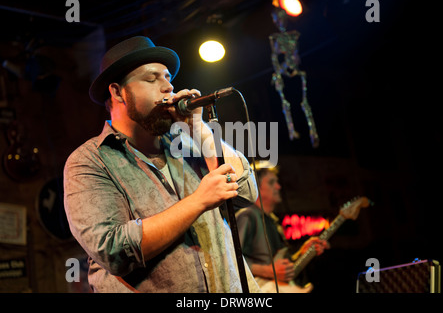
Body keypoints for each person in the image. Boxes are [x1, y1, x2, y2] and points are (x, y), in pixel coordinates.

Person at [63, 36, 260, 293]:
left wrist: (199, 129)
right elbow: (113, 250)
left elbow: (245, 193)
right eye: (151, 78)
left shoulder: (189, 145)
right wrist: (199, 200)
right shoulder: (89, 162)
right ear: (117, 92)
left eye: (167, 77)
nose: (167, 87)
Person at [236, 162, 329, 293]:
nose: (278, 187)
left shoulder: (272, 221)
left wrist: (301, 253)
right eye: (271, 182)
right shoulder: (248, 215)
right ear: (256, 187)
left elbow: (278, 263)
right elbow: (233, 260)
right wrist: (269, 271)